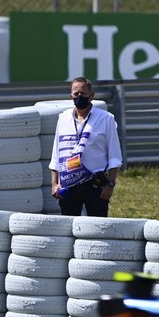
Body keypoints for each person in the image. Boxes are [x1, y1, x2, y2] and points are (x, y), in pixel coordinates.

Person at [50, 76, 122, 217]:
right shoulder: (63, 119)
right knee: (68, 226)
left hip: (95, 183)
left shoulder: (106, 119)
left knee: (97, 227)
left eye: (83, 93)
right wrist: (54, 184)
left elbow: (115, 156)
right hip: (69, 183)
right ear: (71, 96)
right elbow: (56, 154)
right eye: (76, 94)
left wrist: (110, 184)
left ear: (92, 95)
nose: (79, 96)